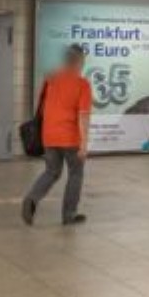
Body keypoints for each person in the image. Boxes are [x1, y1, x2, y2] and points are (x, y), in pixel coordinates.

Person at [22, 45, 92, 226]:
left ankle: (31, 199)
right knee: (76, 173)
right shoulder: (82, 84)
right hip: (70, 138)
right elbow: (83, 115)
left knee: (52, 171)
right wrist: (84, 144)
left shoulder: (51, 79)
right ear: (79, 61)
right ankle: (69, 215)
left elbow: (43, 108)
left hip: (49, 136)